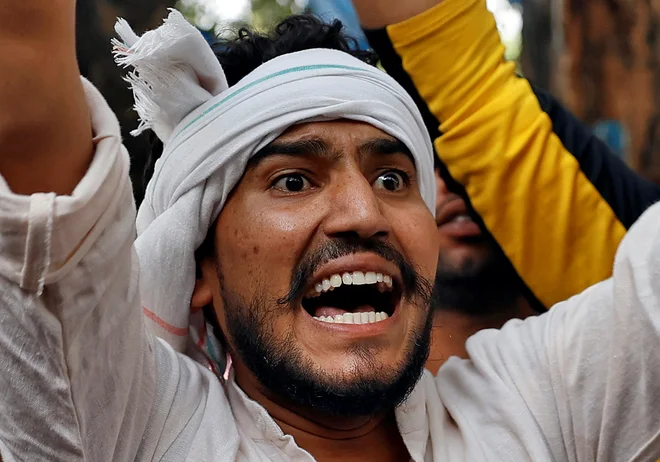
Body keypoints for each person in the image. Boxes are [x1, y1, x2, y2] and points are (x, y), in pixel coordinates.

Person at [2, 1, 660, 462]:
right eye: (293, 180)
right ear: (198, 267)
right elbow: (22, 75)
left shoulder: (535, 408)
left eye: (394, 179)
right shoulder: (123, 431)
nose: (363, 214)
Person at [352, 0, 660, 371]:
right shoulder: (337, 409)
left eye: (458, 163)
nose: (451, 182)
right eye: (397, 176)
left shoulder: (626, 293)